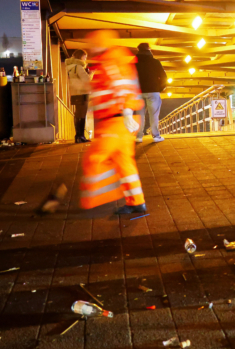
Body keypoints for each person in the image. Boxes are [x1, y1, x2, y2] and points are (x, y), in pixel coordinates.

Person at [80, 30, 147, 214]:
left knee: (94, 158)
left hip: (115, 121)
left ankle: (100, 196)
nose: (91, 48)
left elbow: (122, 86)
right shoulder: (116, 58)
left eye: (93, 43)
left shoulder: (111, 59)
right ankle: (137, 202)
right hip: (120, 121)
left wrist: (125, 113)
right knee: (124, 162)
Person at [135, 42, 167, 143]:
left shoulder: (134, 63)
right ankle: (156, 136)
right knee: (154, 115)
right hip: (153, 91)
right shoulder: (155, 62)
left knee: (140, 115)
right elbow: (164, 77)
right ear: (149, 49)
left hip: (138, 92)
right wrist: (159, 88)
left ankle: (139, 137)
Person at [66, 49, 92, 143]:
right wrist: (91, 73)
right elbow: (86, 80)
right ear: (80, 56)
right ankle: (81, 136)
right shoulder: (79, 67)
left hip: (74, 92)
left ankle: (78, 136)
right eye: (85, 56)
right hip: (82, 92)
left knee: (78, 114)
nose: (85, 58)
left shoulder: (70, 67)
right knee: (82, 114)